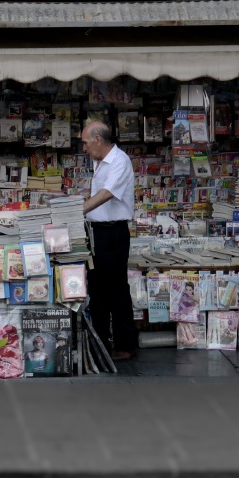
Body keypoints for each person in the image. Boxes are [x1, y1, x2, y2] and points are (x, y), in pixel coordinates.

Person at [80, 120, 138, 361]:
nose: (83, 148)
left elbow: (107, 194)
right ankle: (101, 342)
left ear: (98, 140)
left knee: (116, 288)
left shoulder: (119, 161)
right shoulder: (100, 162)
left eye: (85, 142)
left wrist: (77, 210)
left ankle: (125, 344)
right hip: (97, 232)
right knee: (97, 289)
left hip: (112, 233)